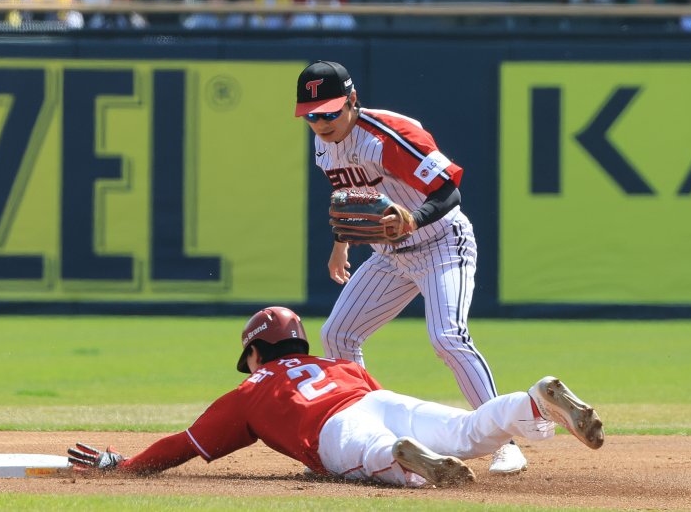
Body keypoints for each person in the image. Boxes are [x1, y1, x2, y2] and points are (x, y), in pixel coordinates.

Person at [293, 60, 528, 474]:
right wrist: (340, 246)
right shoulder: (322, 145)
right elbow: (350, 197)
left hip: (441, 244)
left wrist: (414, 218)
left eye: (330, 111)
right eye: (312, 115)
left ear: (352, 100)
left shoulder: (389, 136)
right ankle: (374, 435)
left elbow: (447, 191)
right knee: (337, 335)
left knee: (447, 337)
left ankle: (505, 442)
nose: (322, 122)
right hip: (388, 256)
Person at [68, 306, 605, 487]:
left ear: (256, 354)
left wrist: (126, 465)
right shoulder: (336, 362)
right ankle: (531, 400)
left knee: (375, 455)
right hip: (376, 397)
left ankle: (400, 457)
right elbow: (369, 393)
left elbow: (184, 445)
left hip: (332, 430)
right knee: (469, 432)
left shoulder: (248, 392)